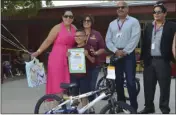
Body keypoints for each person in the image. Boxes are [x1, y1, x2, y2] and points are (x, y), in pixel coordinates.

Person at [139, 2, 176, 114]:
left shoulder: (172, 26)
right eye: (154, 12)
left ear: (165, 13)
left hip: (163, 61)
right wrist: (142, 59)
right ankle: (149, 107)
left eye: (159, 12)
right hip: (149, 61)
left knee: (164, 87)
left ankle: (164, 109)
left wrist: (171, 59)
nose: (156, 14)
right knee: (148, 86)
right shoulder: (149, 26)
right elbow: (144, 43)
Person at [105, 1, 141, 112]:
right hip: (116, 55)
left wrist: (125, 51)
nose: (120, 9)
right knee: (118, 82)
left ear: (127, 9)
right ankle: (121, 106)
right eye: (118, 8)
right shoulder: (112, 24)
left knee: (130, 82)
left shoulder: (134, 21)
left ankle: (133, 108)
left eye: (122, 7)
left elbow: (135, 38)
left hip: (128, 55)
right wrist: (116, 50)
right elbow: (108, 40)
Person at [31, 10, 77, 96]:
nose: (68, 18)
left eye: (71, 17)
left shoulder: (74, 28)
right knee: (57, 80)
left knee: (68, 81)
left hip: (70, 57)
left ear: (73, 18)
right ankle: (55, 101)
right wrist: (38, 51)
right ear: (62, 17)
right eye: (66, 16)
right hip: (57, 57)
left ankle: (65, 102)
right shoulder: (57, 27)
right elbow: (48, 41)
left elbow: (79, 40)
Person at [81, 15, 105, 102]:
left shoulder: (97, 34)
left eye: (88, 21)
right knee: (83, 86)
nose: (86, 22)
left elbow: (102, 48)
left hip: (94, 65)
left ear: (91, 22)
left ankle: (91, 106)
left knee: (91, 86)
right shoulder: (79, 33)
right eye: (84, 20)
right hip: (80, 66)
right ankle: (83, 106)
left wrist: (96, 53)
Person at [69, 29, 95, 108]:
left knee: (84, 95)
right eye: (76, 36)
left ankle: (85, 111)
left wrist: (87, 55)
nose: (77, 37)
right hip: (74, 75)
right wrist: (68, 56)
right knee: (74, 96)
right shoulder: (72, 48)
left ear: (84, 37)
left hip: (85, 76)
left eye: (80, 36)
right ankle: (74, 111)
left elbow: (93, 61)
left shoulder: (89, 47)